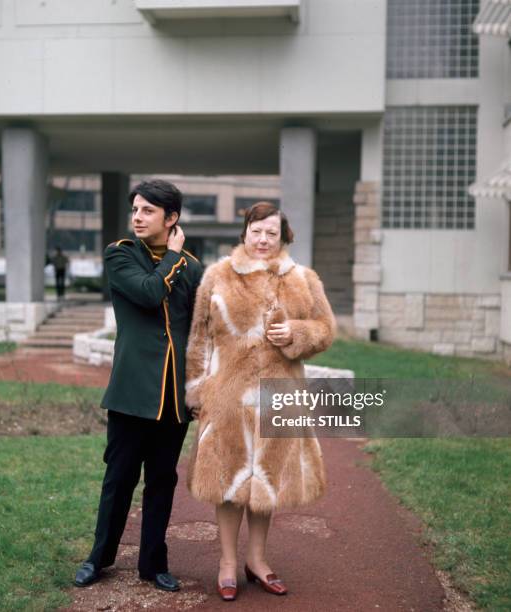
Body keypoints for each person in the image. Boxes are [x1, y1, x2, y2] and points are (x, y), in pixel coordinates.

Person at [184, 201, 336, 601]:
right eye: (257, 231)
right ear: (244, 233)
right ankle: (228, 564)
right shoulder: (217, 276)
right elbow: (199, 339)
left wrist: (298, 333)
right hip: (228, 397)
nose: (264, 239)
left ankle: (258, 560)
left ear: (283, 236)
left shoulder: (303, 279)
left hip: (280, 395)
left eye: (272, 232)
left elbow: (326, 329)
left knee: (268, 481)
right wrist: (197, 390)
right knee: (229, 481)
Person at [74, 179, 203, 592]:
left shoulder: (193, 268)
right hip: (131, 395)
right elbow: (149, 294)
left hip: (173, 399)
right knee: (119, 479)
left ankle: (152, 563)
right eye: (135, 209)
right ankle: (99, 558)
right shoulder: (120, 254)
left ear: (172, 218)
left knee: (162, 481)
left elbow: (202, 327)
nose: (137, 217)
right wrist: (175, 258)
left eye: (147, 211)